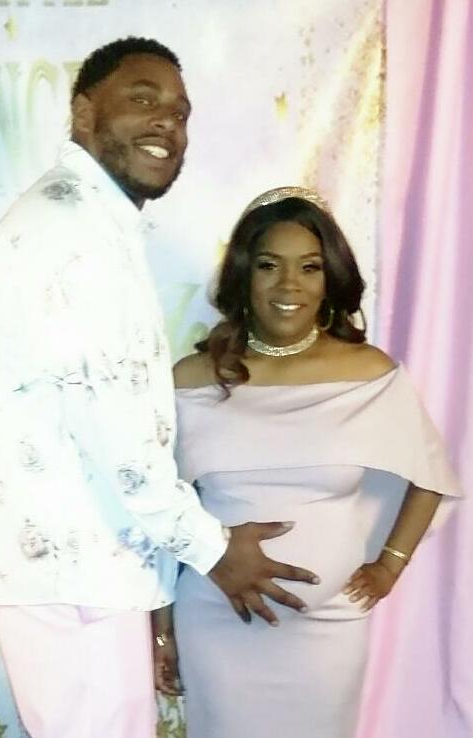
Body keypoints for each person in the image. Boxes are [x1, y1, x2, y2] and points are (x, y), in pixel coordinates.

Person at [0, 42, 320, 738]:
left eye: (180, 113)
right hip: (76, 576)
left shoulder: (84, 220)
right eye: (143, 99)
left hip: (80, 573)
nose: (167, 123)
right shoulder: (75, 233)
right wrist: (215, 551)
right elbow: (119, 441)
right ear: (83, 112)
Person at [153, 186, 461, 738]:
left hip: (330, 628)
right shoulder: (190, 379)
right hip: (216, 619)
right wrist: (161, 629)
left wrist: (389, 565)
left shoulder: (369, 372)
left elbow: (429, 478)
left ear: (329, 280)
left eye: (309, 267)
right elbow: (158, 512)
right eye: (269, 265)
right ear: (244, 275)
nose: (289, 284)